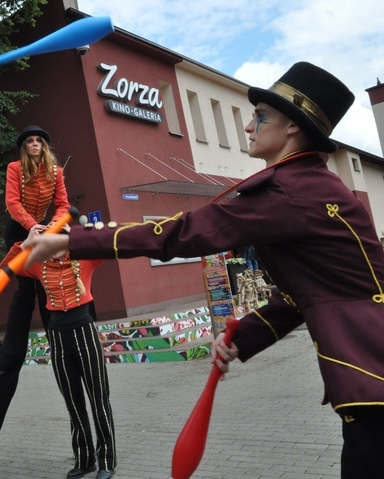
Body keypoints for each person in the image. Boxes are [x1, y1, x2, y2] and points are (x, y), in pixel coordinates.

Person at [24, 62, 384, 479]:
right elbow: (300, 298)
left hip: (371, 367)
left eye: (261, 117)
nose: (249, 126)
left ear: (292, 128)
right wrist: (241, 339)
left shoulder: (288, 191)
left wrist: (70, 241)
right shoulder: (306, 186)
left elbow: (185, 233)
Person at [0, 125, 71, 455]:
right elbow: (12, 201)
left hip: (45, 229)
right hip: (19, 230)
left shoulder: (56, 171)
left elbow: (62, 204)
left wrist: (53, 224)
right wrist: (30, 224)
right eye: (29, 141)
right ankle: (21, 328)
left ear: (44, 146)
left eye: (38, 141)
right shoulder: (14, 169)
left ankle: (53, 327)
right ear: (24, 147)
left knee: (45, 283)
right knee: (26, 287)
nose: (34, 144)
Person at [3, 228, 115, 479]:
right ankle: (85, 460)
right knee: (73, 401)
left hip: (83, 327)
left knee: (98, 398)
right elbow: (8, 265)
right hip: (57, 332)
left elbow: (107, 244)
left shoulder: (85, 258)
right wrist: (28, 240)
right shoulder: (39, 265)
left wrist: (81, 233)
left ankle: (106, 461)